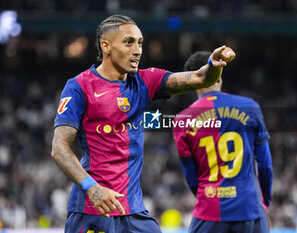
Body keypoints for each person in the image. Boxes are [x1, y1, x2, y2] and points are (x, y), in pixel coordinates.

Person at [51, 15, 235, 233]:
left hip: (133, 212)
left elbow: (200, 78)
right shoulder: (79, 87)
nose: (137, 50)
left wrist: (213, 64)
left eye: (140, 43)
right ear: (106, 46)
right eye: (129, 42)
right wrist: (92, 188)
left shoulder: (146, 81)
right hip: (93, 211)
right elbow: (59, 148)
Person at [172, 51, 273, 233]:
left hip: (209, 211)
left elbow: (191, 176)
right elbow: (265, 164)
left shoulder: (182, 120)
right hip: (250, 208)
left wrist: (207, 197)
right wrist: (264, 202)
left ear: (192, 81)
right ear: (220, 76)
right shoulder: (249, 107)